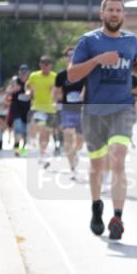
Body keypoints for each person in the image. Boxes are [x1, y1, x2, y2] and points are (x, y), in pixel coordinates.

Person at [68, 0, 137, 240]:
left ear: (123, 15)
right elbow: (72, 75)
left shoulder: (131, 40)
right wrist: (97, 60)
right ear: (102, 14)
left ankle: (117, 217)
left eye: (119, 10)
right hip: (93, 111)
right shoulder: (89, 41)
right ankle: (96, 208)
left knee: (118, 159)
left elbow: (132, 67)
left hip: (122, 109)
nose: (115, 14)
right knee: (96, 166)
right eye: (110, 10)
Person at [54, 47, 87, 181]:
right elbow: (56, 91)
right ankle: (72, 168)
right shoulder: (61, 75)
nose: (72, 56)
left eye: (75, 54)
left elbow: (89, 89)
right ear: (66, 57)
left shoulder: (85, 74)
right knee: (68, 139)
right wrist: (56, 101)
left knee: (79, 143)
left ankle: (74, 154)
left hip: (81, 111)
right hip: (67, 111)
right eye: (69, 55)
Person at [26, 55, 57, 169]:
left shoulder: (55, 77)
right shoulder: (34, 75)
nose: (45, 68)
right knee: (43, 131)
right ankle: (43, 155)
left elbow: (59, 90)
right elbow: (27, 85)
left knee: (47, 134)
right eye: (43, 65)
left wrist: (55, 95)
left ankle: (42, 154)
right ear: (40, 65)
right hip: (38, 108)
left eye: (47, 65)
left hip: (51, 109)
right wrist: (29, 91)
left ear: (50, 66)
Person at [8, 65, 31, 156]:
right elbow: (8, 91)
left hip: (27, 110)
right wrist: (14, 89)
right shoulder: (15, 81)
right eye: (22, 73)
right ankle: (16, 148)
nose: (23, 75)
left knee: (25, 131)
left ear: (28, 73)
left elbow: (34, 94)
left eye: (25, 73)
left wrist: (30, 93)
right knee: (18, 128)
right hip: (16, 108)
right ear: (19, 73)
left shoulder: (30, 83)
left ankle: (23, 148)